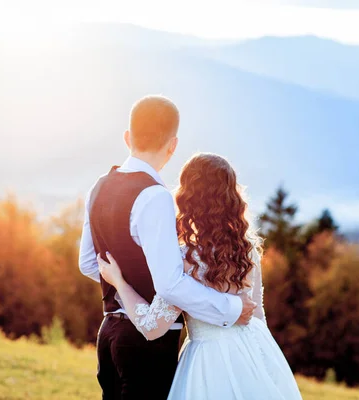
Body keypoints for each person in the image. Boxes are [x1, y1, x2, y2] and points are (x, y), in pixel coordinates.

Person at [78, 95, 257, 400]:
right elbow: (170, 284)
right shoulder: (155, 195)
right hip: (145, 344)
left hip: (109, 332)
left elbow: (89, 263)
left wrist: (121, 290)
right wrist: (232, 307)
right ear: (172, 145)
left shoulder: (99, 186)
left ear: (127, 138)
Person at [97, 152, 303, 400]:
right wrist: (267, 363)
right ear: (231, 196)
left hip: (207, 363)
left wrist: (119, 282)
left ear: (187, 197)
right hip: (254, 350)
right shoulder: (247, 249)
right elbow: (258, 313)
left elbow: (152, 327)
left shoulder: (186, 258)